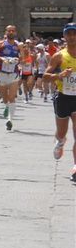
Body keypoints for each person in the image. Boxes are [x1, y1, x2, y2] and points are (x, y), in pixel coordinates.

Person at [44, 22, 76, 182]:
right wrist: (60, 75)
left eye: (74, 34)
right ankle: (60, 142)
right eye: (68, 34)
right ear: (64, 36)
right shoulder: (59, 56)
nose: (72, 37)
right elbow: (44, 76)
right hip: (63, 97)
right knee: (62, 132)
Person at [0, 25, 21, 131]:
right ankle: (7, 106)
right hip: (2, 74)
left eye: (13, 31)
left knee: (12, 97)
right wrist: (2, 58)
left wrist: (17, 61)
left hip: (14, 74)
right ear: (6, 32)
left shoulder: (19, 45)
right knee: (5, 98)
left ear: (15, 32)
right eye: (9, 31)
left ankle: (10, 120)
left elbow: (25, 59)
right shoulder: (0, 44)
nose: (11, 32)